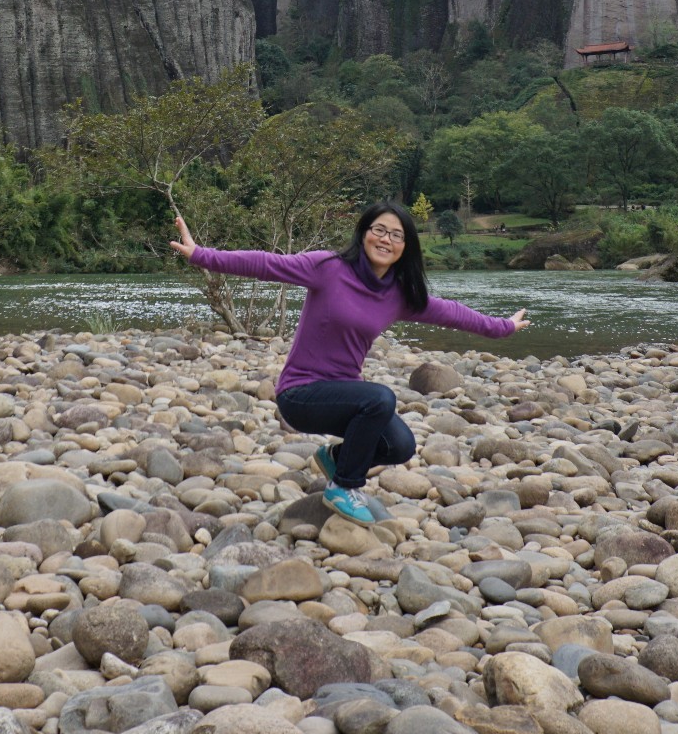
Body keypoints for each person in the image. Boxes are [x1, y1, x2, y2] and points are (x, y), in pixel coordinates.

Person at [170, 201, 528, 524]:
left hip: (343, 396)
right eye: (379, 230)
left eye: (397, 235)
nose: (386, 239)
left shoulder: (399, 295)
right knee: (380, 397)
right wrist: (202, 254)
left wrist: (503, 328)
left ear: (406, 248)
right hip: (301, 394)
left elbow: (451, 313)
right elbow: (267, 264)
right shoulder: (327, 268)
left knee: (399, 445)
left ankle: (337, 459)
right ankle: (343, 486)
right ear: (364, 233)